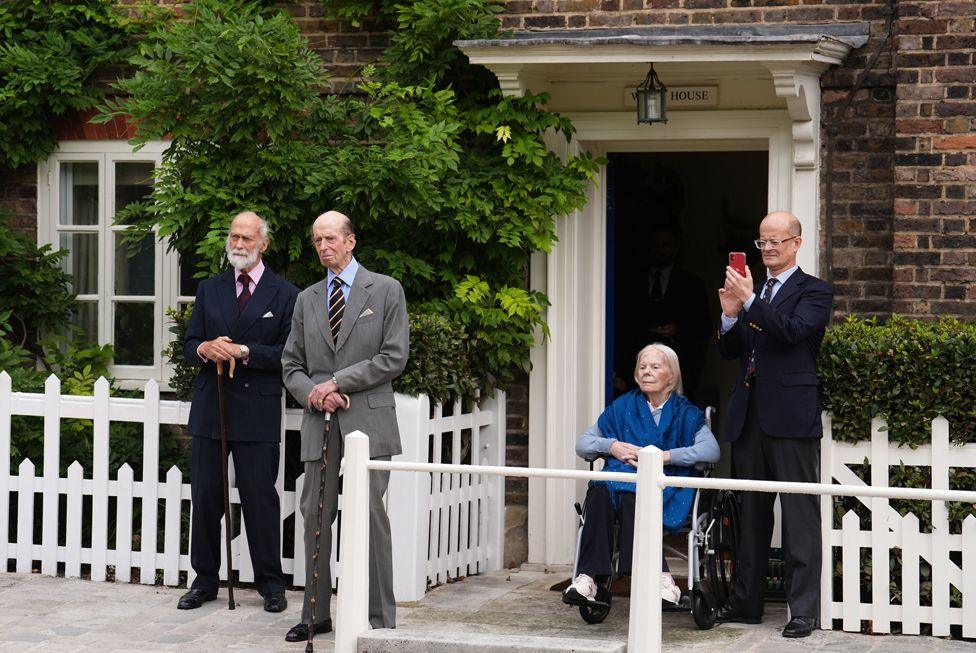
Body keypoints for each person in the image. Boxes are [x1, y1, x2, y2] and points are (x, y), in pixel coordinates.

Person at [281, 210, 409, 641]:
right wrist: (315, 392)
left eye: (330, 239)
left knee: (371, 516)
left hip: (369, 420)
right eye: (317, 240)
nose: (323, 247)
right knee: (315, 513)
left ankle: (380, 620)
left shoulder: (387, 290)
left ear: (351, 242)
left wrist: (338, 381)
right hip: (320, 421)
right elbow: (291, 364)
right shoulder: (307, 299)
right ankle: (315, 614)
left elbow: (393, 358)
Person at [714, 210, 834, 638]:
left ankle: (803, 611)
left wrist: (748, 302)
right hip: (748, 418)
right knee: (750, 515)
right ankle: (745, 604)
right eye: (762, 242)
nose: (767, 249)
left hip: (791, 417)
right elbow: (733, 352)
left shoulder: (815, 291)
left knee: (800, 517)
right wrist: (730, 315)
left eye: (775, 242)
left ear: (797, 243)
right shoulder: (754, 290)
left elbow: (791, 332)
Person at [178, 211, 299, 612]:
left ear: (262, 244)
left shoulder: (285, 295)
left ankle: (271, 584)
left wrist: (243, 351)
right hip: (212, 406)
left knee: (259, 498)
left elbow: (289, 354)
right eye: (234, 237)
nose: (239, 244)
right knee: (207, 496)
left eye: (247, 238)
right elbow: (189, 341)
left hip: (257, 410)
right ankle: (205, 580)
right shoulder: (210, 289)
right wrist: (204, 348)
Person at [563, 343, 720, 608]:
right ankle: (588, 578)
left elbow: (711, 451)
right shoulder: (623, 406)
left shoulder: (685, 412)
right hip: (619, 482)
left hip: (666, 486)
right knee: (600, 488)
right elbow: (583, 444)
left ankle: (661, 577)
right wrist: (611, 446)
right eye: (642, 367)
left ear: (672, 375)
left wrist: (664, 456)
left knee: (631, 494)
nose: (646, 372)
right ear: (636, 376)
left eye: (655, 367)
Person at [615, 224, 711, 402]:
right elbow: (621, 325)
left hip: (678, 370)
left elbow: (704, 328)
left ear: (676, 248)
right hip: (635, 372)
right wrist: (619, 370)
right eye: (655, 244)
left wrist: (678, 329)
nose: (659, 249)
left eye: (665, 244)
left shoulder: (692, 284)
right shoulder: (630, 282)